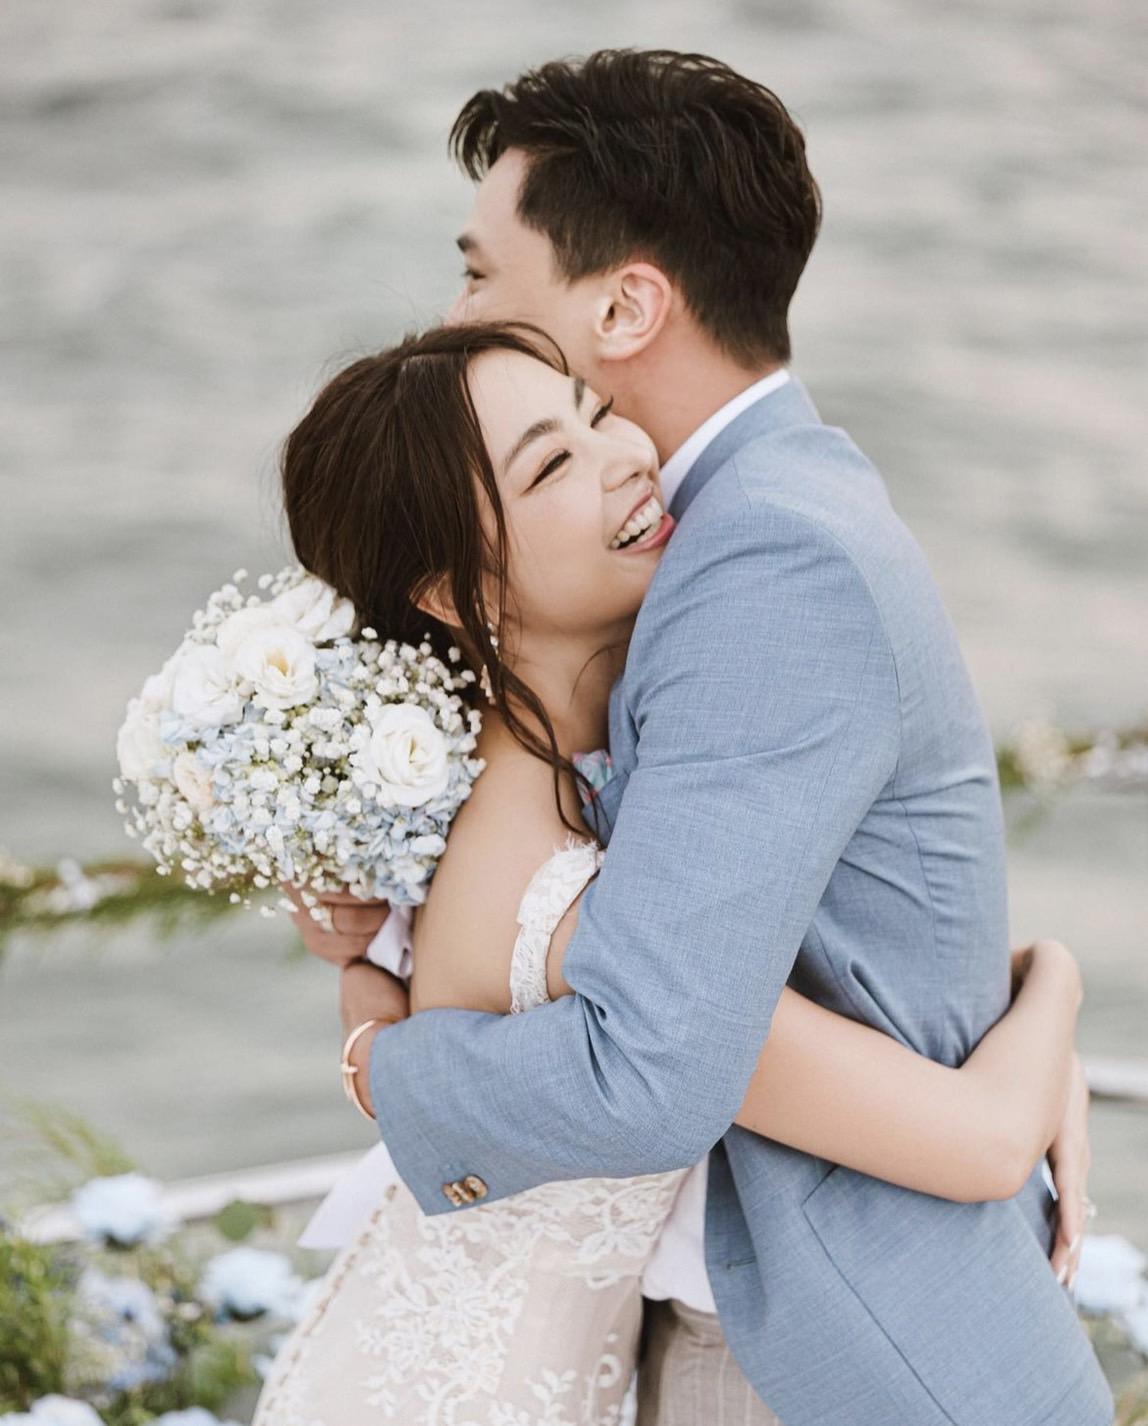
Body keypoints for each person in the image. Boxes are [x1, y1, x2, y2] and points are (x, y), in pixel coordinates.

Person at [286, 51, 1113, 1426]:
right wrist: (1045, 998)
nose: (455, 316)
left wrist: (381, 1062)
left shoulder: (762, 557)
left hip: (822, 1350)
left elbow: (653, 1055)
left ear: (623, 304)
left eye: (480, 275)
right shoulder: (738, 528)